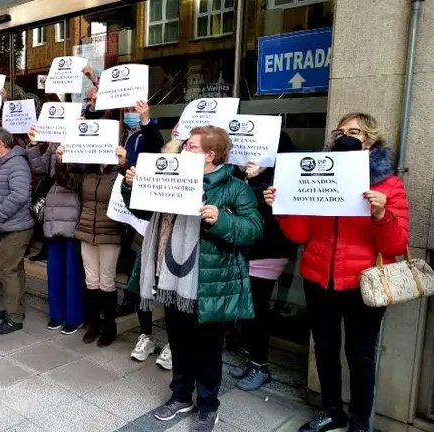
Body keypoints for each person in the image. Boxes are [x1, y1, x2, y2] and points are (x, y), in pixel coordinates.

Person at [264, 113, 409, 432]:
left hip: (363, 285)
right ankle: (332, 411)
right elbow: (300, 235)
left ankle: (360, 422)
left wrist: (382, 212)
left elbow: (396, 244)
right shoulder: (319, 177)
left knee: (360, 356)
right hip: (319, 280)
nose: (345, 136)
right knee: (325, 349)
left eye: (354, 132)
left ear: (370, 140)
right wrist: (284, 207)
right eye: (341, 131)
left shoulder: (389, 185)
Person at [122, 127, 263, 431]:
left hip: (207, 283)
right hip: (171, 279)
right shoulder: (170, 176)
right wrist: (131, 186)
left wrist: (220, 220)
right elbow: (143, 210)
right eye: (185, 145)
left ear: (211, 155)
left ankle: (208, 405)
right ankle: (180, 396)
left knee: (208, 350)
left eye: (192, 146)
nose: (184, 149)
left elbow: (254, 229)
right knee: (179, 342)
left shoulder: (234, 188)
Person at [228, 132, 297, 391]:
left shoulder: (282, 175)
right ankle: (253, 359)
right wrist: (246, 177)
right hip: (247, 250)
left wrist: (254, 181)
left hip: (269, 250)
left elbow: (260, 206)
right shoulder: (242, 172)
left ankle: (260, 366)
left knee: (256, 308)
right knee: (247, 309)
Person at [53, 144, 127, 347]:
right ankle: (93, 324)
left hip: (110, 233)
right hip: (86, 232)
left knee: (107, 282)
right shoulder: (88, 170)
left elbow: (130, 190)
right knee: (91, 281)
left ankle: (109, 326)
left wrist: (123, 164)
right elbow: (66, 181)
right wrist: (59, 160)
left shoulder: (118, 171)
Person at [26, 126, 85, 335]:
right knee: (55, 269)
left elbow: (77, 175)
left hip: (71, 211)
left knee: (72, 270)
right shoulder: (52, 143)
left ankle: (74, 316)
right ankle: (57, 314)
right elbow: (40, 168)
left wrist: (64, 156)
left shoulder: (82, 141)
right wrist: (33, 145)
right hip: (52, 211)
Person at [0, 127, 34, 335]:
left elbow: (20, 195)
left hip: (17, 226)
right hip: (8, 224)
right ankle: (14, 309)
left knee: (9, 270)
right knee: (14, 269)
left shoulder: (16, 163)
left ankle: (14, 317)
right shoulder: (0, 162)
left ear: (0, 143)